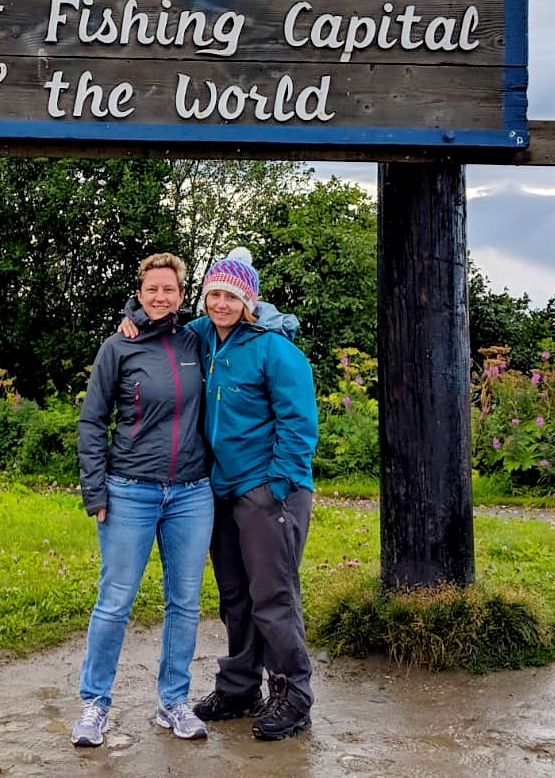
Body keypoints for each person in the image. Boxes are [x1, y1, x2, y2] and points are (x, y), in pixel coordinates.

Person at [119, 247, 318, 741]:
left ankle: (293, 695)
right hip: (220, 490)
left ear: (248, 301)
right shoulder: (203, 337)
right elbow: (161, 314)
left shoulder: (275, 350)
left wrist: (277, 485)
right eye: (214, 295)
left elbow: (299, 424)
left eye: (231, 296)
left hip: (269, 491)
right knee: (234, 596)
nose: (220, 304)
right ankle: (240, 687)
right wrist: (131, 317)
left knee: (272, 596)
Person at [71, 252, 213, 747]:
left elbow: (251, 315)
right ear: (140, 291)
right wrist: (96, 490)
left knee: (185, 601)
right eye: (152, 289)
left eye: (169, 289)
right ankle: (95, 704)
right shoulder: (117, 346)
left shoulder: (198, 339)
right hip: (129, 490)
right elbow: (92, 422)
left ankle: (173, 702)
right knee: (115, 601)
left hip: (193, 494)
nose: (160, 297)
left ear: (181, 293)